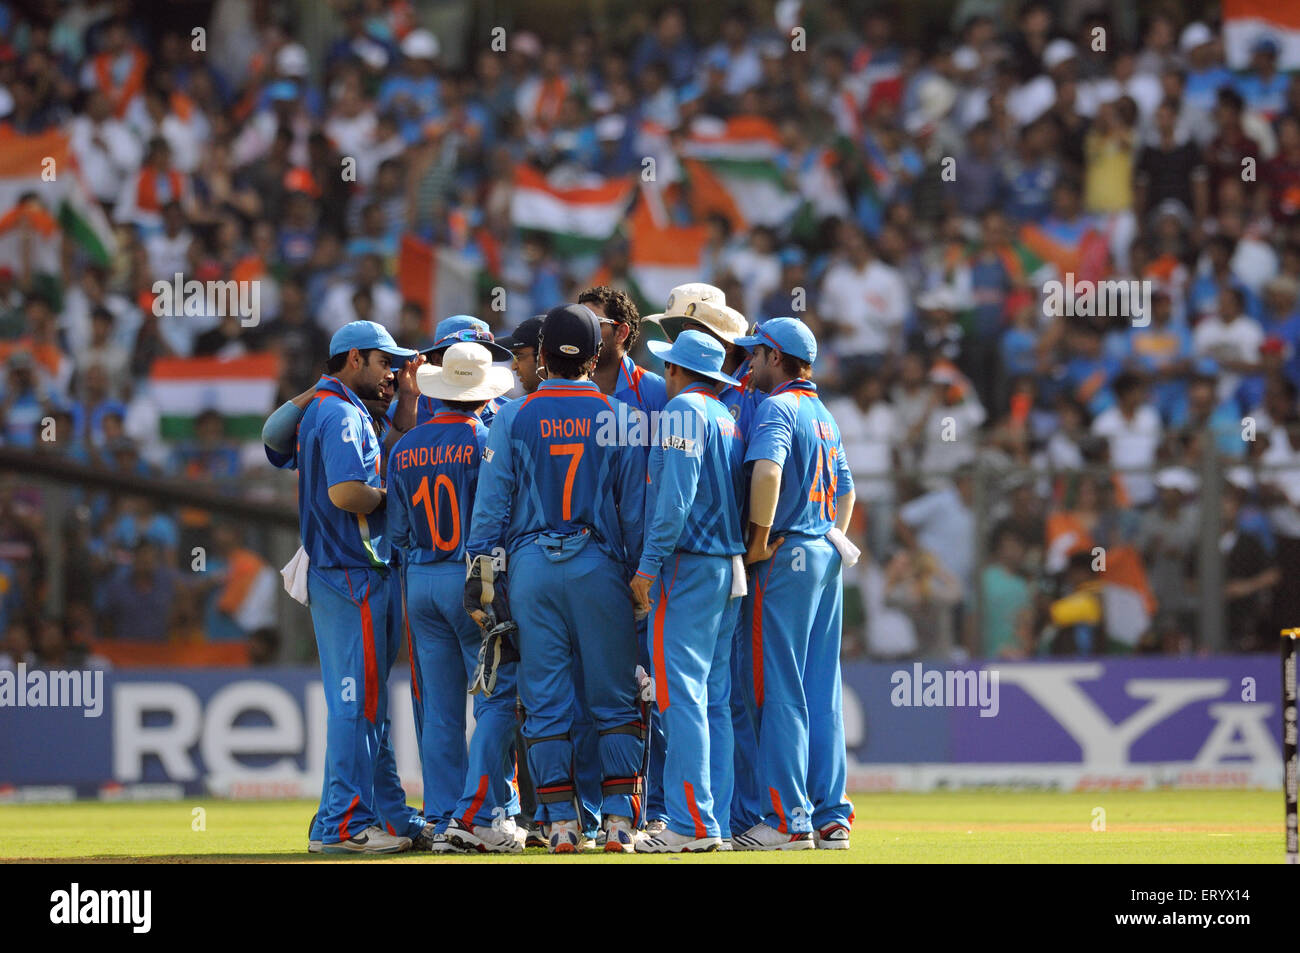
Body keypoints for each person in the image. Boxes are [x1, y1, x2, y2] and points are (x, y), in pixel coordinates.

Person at [465, 304, 646, 853]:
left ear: (541, 357)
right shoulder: (622, 416)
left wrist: (480, 576)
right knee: (614, 699)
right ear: (596, 356)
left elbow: (490, 509)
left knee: (544, 702)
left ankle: (561, 823)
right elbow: (634, 508)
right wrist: (641, 576)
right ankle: (617, 820)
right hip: (600, 569)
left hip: (531, 570)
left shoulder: (510, 418)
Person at [387, 342, 522, 853]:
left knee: (438, 709)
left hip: (420, 580)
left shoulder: (404, 447)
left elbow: (398, 531)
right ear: (483, 395)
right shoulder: (487, 438)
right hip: (475, 581)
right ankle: (486, 813)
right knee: (495, 697)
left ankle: (443, 817)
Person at [291, 320, 417, 854]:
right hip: (351, 571)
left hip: (353, 572)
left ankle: (375, 813)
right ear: (354, 358)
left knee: (366, 702)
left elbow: (279, 437)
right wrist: (398, 498)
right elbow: (346, 493)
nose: (392, 372)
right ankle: (341, 825)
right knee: (356, 702)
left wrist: (405, 399)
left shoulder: (341, 409)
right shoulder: (342, 413)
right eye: (384, 362)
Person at [731, 317, 856, 851]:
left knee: (777, 688)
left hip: (786, 556)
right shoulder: (824, 414)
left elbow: (766, 473)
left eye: (756, 354)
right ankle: (830, 815)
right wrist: (824, 536)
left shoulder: (779, 407)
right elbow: (848, 491)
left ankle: (785, 819)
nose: (750, 363)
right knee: (820, 690)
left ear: (775, 358)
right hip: (826, 551)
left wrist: (760, 540)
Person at [629, 331, 746, 853]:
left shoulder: (680, 413)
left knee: (680, 699)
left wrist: (648, 569)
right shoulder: (727, 417)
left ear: (676, 372)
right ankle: (711, 819)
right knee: (713, 700)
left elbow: (674, 503)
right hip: (728, 566)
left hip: (687, 567)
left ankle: (689, 826)